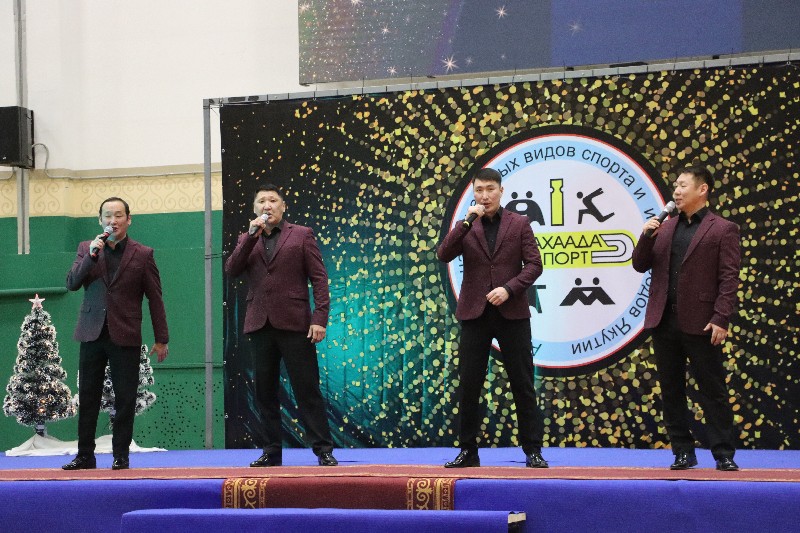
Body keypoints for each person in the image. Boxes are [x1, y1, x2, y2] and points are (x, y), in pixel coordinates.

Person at [631, 165, 741, 471]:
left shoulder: (723, 229)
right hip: (664, 320)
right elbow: (639, 264)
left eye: (683, 186)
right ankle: (682, 451)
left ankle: (723, 453)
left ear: (702, 189)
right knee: (671, 390)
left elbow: (729, 278)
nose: (676, 192)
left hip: (703, 321)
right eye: (675, 187)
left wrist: (721, 316)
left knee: (712, 389)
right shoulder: (664, 227)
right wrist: (646, 236)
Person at [437, 167, 548, 468]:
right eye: (479, 190)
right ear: (473, 192)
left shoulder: (519, 223)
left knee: (522, 383)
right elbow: (443, 254)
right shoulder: (465, 224)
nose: (484, 196)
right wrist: (465, 223)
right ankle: (468, 451)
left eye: (490, 189)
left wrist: (509, 289)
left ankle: (533, 450)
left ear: (501, 191)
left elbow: (535, 265)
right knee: (469, 384)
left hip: (512, 314)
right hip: (475, 313)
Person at [225, 183, 338, 467]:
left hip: (296, 323)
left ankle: (323, 449)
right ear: (255, 208)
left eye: (273, 200)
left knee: (307, 388)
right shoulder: (246, 238)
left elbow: (319, 279)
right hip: (260, 324)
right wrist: (250, 238)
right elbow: (232, 269)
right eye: (261, 201)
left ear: (283, 206)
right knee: (264, 392)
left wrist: (319, 318)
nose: (267, 205)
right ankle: (271, 451)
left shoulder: (301, 234)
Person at [63, 197, 169, 471]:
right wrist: (91, 256)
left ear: (129, 219)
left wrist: (161, 338)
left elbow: (155, 298)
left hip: (126, 333)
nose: (113, 220)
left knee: (125, 398)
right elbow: (72, 283)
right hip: (92, 332)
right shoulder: (86, 248)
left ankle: (121, 455)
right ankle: (85, 455)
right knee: (88, 396)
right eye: (108, 216)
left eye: (119, 215)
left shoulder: (143, 254)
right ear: (100, 220)